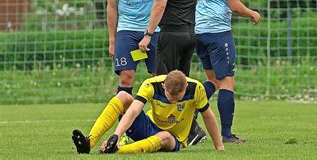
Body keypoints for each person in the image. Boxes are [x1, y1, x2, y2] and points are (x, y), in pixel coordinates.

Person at [138, 0, 210, 145]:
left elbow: (159, 6)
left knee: (163, 85)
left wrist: (148, 34)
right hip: (190, 35)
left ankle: (182, 130)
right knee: (181, 85)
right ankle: (190, 130)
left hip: (170, 35)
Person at [194, 0, 261, 143]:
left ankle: (187, 117)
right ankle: (227, 134)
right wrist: (252, 13)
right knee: (227, 82)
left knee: (212, 80)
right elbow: (234, 5)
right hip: (217, 32)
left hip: (200, 30)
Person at [71, 70, 225, 154]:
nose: (174, 102)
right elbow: (133, 111)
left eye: (179, 99)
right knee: (123, 96)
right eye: (171, 98)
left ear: (185, 88)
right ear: (164, 86)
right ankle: (88, 142)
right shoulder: (151, 84)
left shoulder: (197, 89)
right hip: (147, 127)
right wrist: (116, 135)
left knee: (164, 136)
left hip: (173, 138)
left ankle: (117, 151)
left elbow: (208, 116)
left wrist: (219, 147)